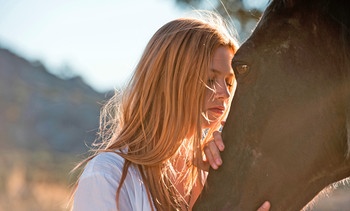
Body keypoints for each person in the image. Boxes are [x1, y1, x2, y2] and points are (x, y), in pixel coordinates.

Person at [71, 10, 270, 211]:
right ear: (168, 81)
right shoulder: (107, 175)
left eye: (228, 83)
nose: (224, 95)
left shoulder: (211, 175)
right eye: (210, 79)